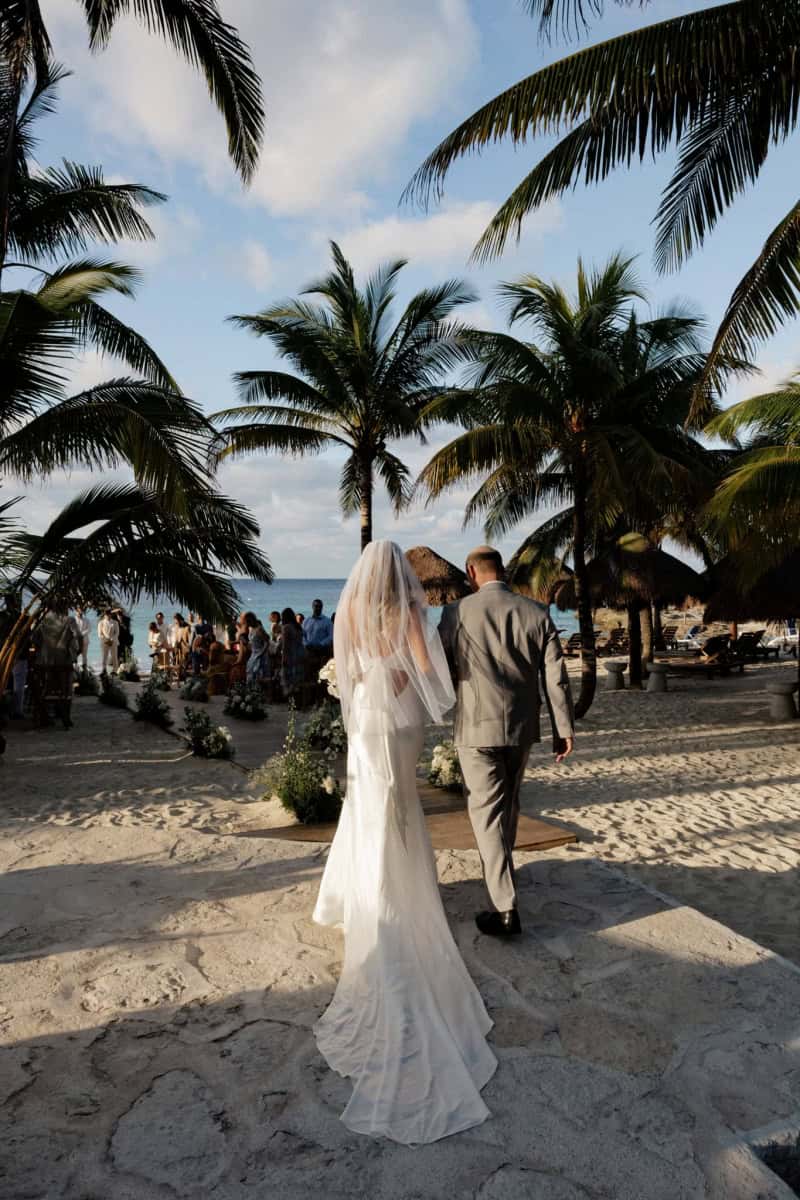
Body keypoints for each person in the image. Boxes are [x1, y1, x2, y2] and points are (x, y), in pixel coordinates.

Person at [312, 540, 495, 1144]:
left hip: (367, 715)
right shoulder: (410, 615)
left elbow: (345, 667)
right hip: (401, 717)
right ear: (404, 580)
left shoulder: (353, 612)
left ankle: (369, 893)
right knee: (398, 806)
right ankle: (394, 894)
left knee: (371, 803)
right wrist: (417, 676)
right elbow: (426, 671)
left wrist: (367, 675)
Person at [438, 545, 575, 939]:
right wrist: (563, 728)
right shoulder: (536, 612)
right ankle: (505, 878)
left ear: (471, 571)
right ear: (503, 570)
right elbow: (556, 677)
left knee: (485, 813)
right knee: (509, 803)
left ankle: (504, 908)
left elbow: (441, 667)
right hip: (521, 725)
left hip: (476, 726)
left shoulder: (455, 613)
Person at [280, 608, 305, 699]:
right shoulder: (298, 627)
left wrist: (283, 658)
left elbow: (285, 646)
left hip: (291, 654)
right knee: (297, 679)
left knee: (289, 679)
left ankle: (292, 701)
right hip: (299, 653)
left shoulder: (286, 628)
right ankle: (298, 701)